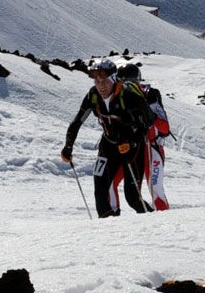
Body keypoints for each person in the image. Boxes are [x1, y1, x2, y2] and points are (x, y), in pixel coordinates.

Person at [61, 58, 151, 216]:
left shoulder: (128, 94)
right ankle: (108, 231)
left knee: (133, 198)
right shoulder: (93, 95)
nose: (101, 86)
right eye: (97, 81)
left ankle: (154, 223)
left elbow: (147, 123)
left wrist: (131, 142)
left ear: (114, 79)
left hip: (132, 148)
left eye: (104, 81)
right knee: (100, 189)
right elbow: (77, 121)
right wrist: (68, 146)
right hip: (108, 145)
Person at [119, 62, 171, 211]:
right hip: (133, 148)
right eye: (123, 82)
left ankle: (165, 224)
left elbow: (165, 127)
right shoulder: (118, 97)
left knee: (156, 190)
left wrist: (148, 113)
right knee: (128, 192)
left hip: (152, 147)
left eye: (131, 82)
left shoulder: (149, 94)